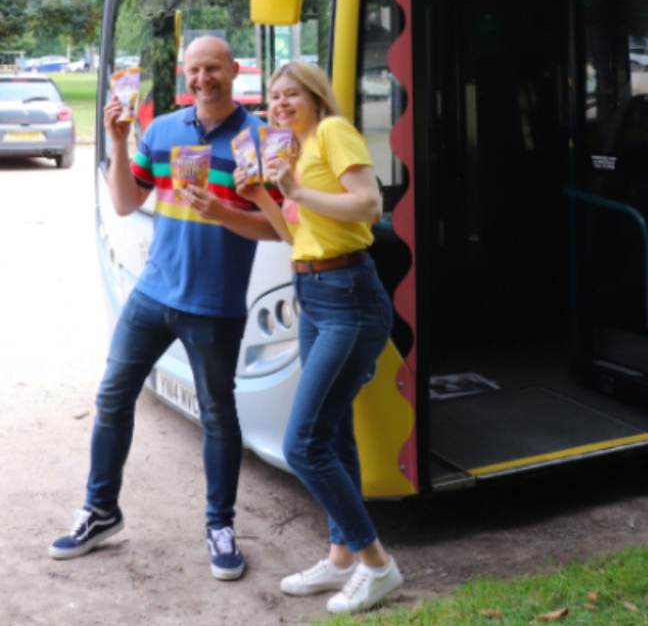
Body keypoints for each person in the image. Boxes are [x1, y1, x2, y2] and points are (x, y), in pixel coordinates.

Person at [50, 36, 277, 580]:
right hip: (153, 294)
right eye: (194, 70)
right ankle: (101, 511)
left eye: (213, 68)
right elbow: (126, 202)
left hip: (215, 304)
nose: (203, 79)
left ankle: (220, 526)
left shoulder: (260, 138)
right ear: (184, 73)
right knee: (112, 398)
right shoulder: (162, 130)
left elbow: (279, 228)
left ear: (235, 70)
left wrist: (223, 212)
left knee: (218, 417)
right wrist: (116, 139)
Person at [235, 61, 403, 614]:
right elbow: (298, 235)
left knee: (303, 445)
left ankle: (377, 565)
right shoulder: (294, 150)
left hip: (350, 297)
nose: (280, 104)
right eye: (274, 97)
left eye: (291, 94)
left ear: (315, 97)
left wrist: (295, 189)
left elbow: (370, 206)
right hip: (313, 294)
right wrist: (265, 196)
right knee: (333, 435)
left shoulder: (333, 131)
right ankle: (341, 558)